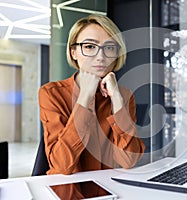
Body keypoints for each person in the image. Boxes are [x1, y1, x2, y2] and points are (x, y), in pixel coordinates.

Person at [38, 14, 145, 175]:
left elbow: (129, 160)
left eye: (109, 47)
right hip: (69, 192)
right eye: (89, 47)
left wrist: (117, 99)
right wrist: (84, 97)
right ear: (73, 52)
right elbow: (62, 165)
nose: (100, 57)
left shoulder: (123, 95)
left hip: (111, 190)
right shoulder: (51, 93)